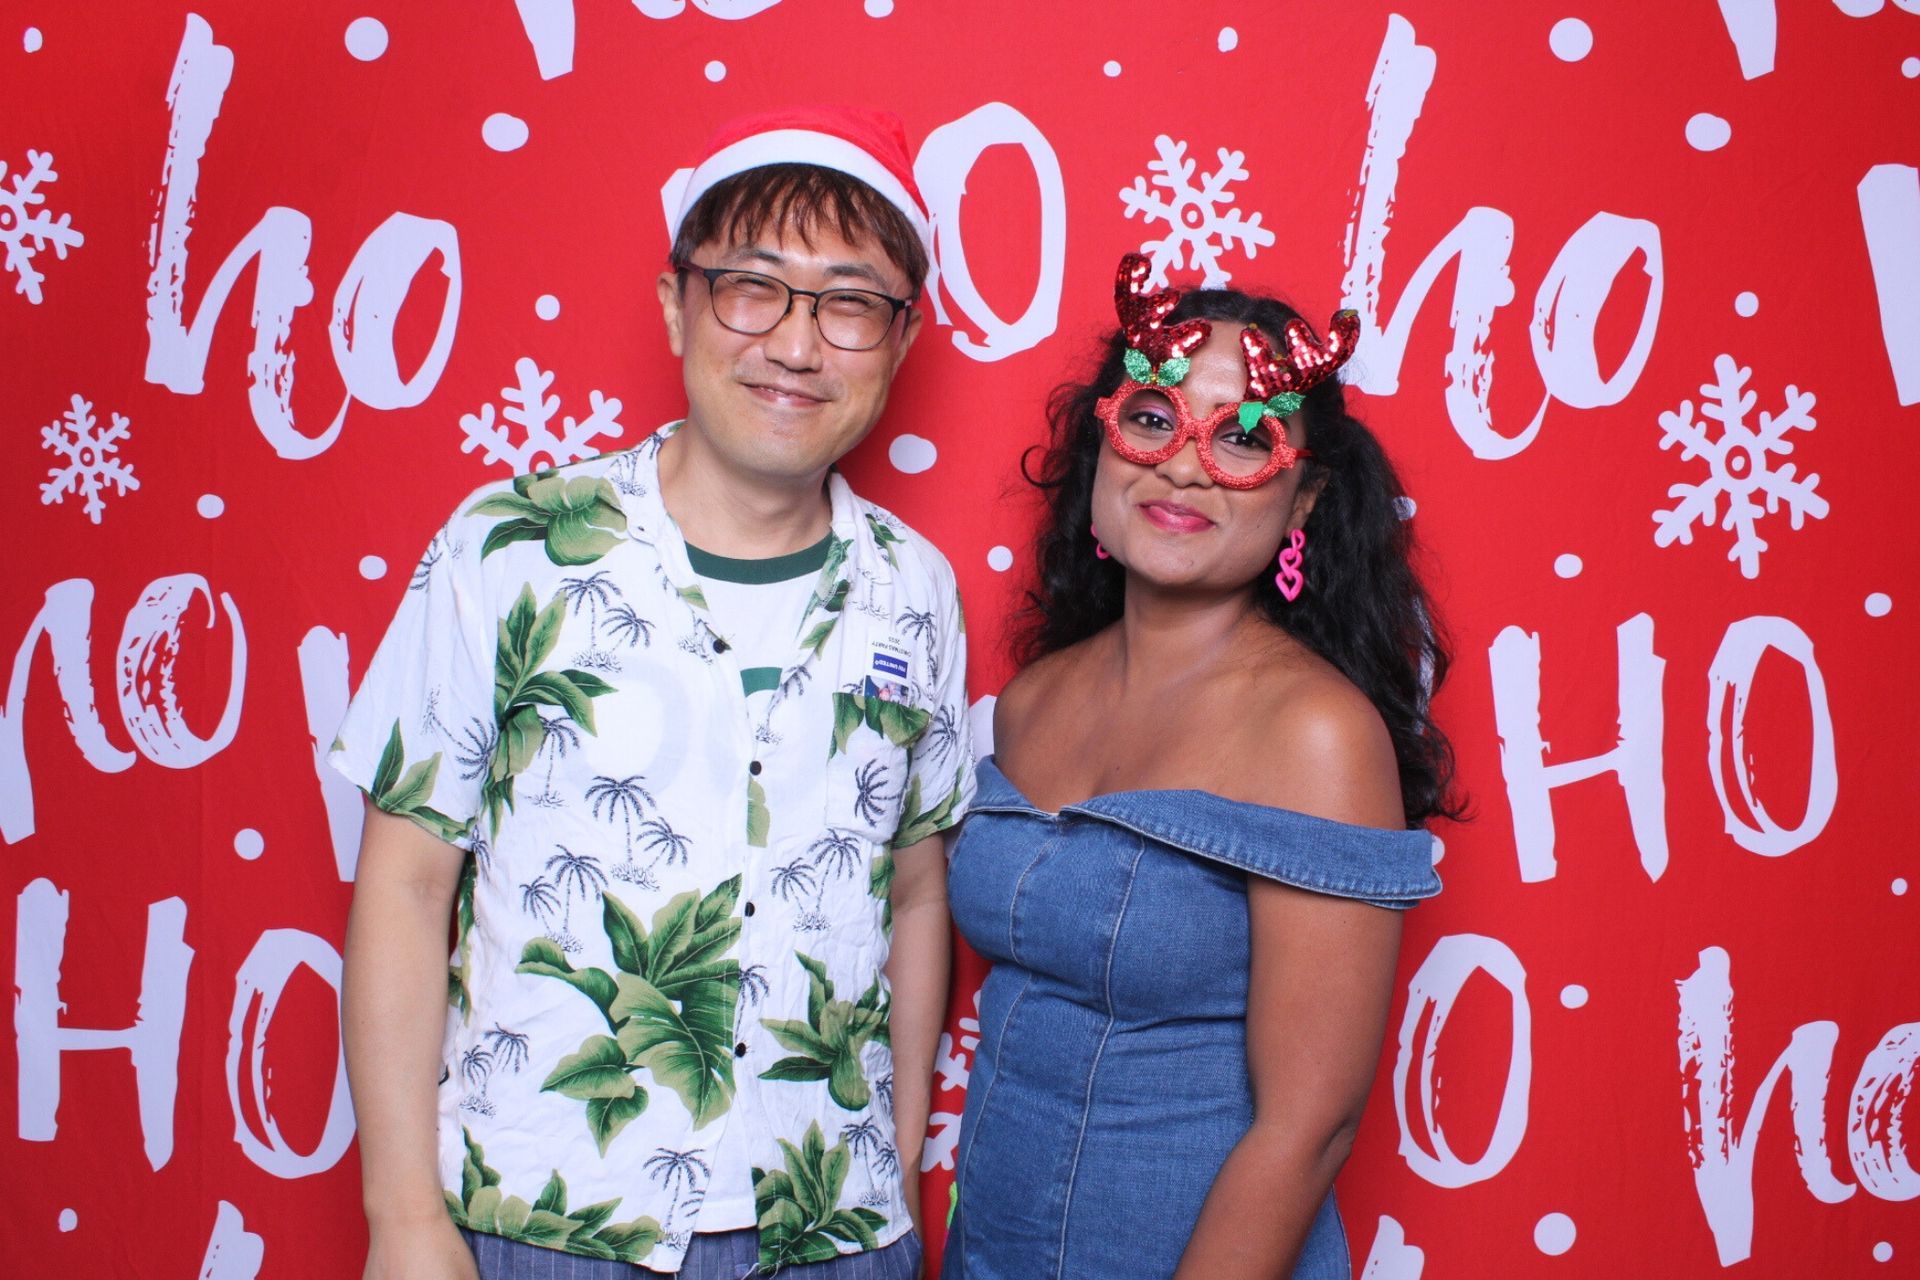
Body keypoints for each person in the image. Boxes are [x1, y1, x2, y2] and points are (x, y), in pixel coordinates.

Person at [330, 107, 972, 1280]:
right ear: (678, 305)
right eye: (753, 289)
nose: (796, 344)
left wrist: (890, 1174)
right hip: (547, 1223)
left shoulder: (915, 589)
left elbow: (917, 891)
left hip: (832, 1229)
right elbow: (409, 885)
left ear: (900, 338)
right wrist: (403, 1217)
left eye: (848, 303)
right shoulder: (513, 544)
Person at [943, 253, 1457, 1279]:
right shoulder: (1034, 700)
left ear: (1303, 501)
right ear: (1104, 444)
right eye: (1153, 418)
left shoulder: (1317, 732)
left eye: (1242, 437)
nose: (1184, 466)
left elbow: (1310, 1124)